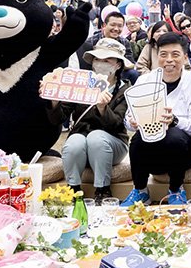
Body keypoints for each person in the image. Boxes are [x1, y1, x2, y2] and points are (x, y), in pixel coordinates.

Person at [121, 33, 191, 206]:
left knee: (173, 135)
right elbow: (127, 120)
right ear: (156, 56)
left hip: (185, 151)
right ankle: (140, 191)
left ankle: (176, 190)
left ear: (184, 57)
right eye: (163, 54)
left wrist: (174, 120)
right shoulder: (144, 80)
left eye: (175, 55)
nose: (169, 60)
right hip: (152, 150)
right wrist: (131, 121)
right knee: (137, 140)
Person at [46, 37, 131, 203]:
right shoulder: (82, 83)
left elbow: (117, 123)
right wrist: (54, 101)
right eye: (97, 59)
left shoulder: (124, 89)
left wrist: (102, 108)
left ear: (118, 65)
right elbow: (58, 118)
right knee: (75, 141)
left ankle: (103, 189)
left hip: (112, 143)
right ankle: (74, 190)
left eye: (107, 60)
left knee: (96, 137)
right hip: (82, 139)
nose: (100, 63)